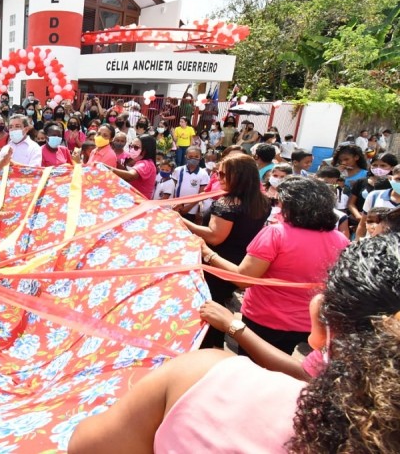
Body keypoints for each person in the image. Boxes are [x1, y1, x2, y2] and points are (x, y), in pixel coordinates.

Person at [70, 233, 400, 454]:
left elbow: (87, 445)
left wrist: (234, 325)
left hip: (261, 323)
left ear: (320, 316)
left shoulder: (206, 378)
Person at [203, 176, 350, 355]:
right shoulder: (340, 239)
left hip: (266, 321)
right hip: (310, 323)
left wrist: (208, 254)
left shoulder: (276, 234)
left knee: (256, 373)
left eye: (280, 203)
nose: (278, 208)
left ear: (291, 206)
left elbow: (243, 279)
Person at [184, 154, 271, 348]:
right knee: (217, 303)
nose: (218, 178)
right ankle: (215, 344)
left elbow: (215, 236)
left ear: (238, 176)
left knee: (209, 306)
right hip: (239, 261)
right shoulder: (261, 201)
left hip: (217, 262)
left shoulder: (228, 203)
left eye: (223, 175)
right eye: (217, 173)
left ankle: (209, 348)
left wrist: (181, 221)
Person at [347, 152, 397, 222]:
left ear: (392, 167)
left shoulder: (395, 185)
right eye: (375, 165)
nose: (378, 168)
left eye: (383, 165)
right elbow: (351, 203)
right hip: (358, 221)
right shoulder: (361, 182)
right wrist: (358, 216)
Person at [171, 146, 209, 220]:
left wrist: (189, 207)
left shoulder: (203, 173)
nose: (193, 159)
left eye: (196, 156)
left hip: (191, 209)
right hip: (176, 206)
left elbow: (201, 194)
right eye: (190, 156)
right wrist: (174, 203)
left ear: (200, 157)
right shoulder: (178, 170)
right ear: (186, 157)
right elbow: (172, 188)